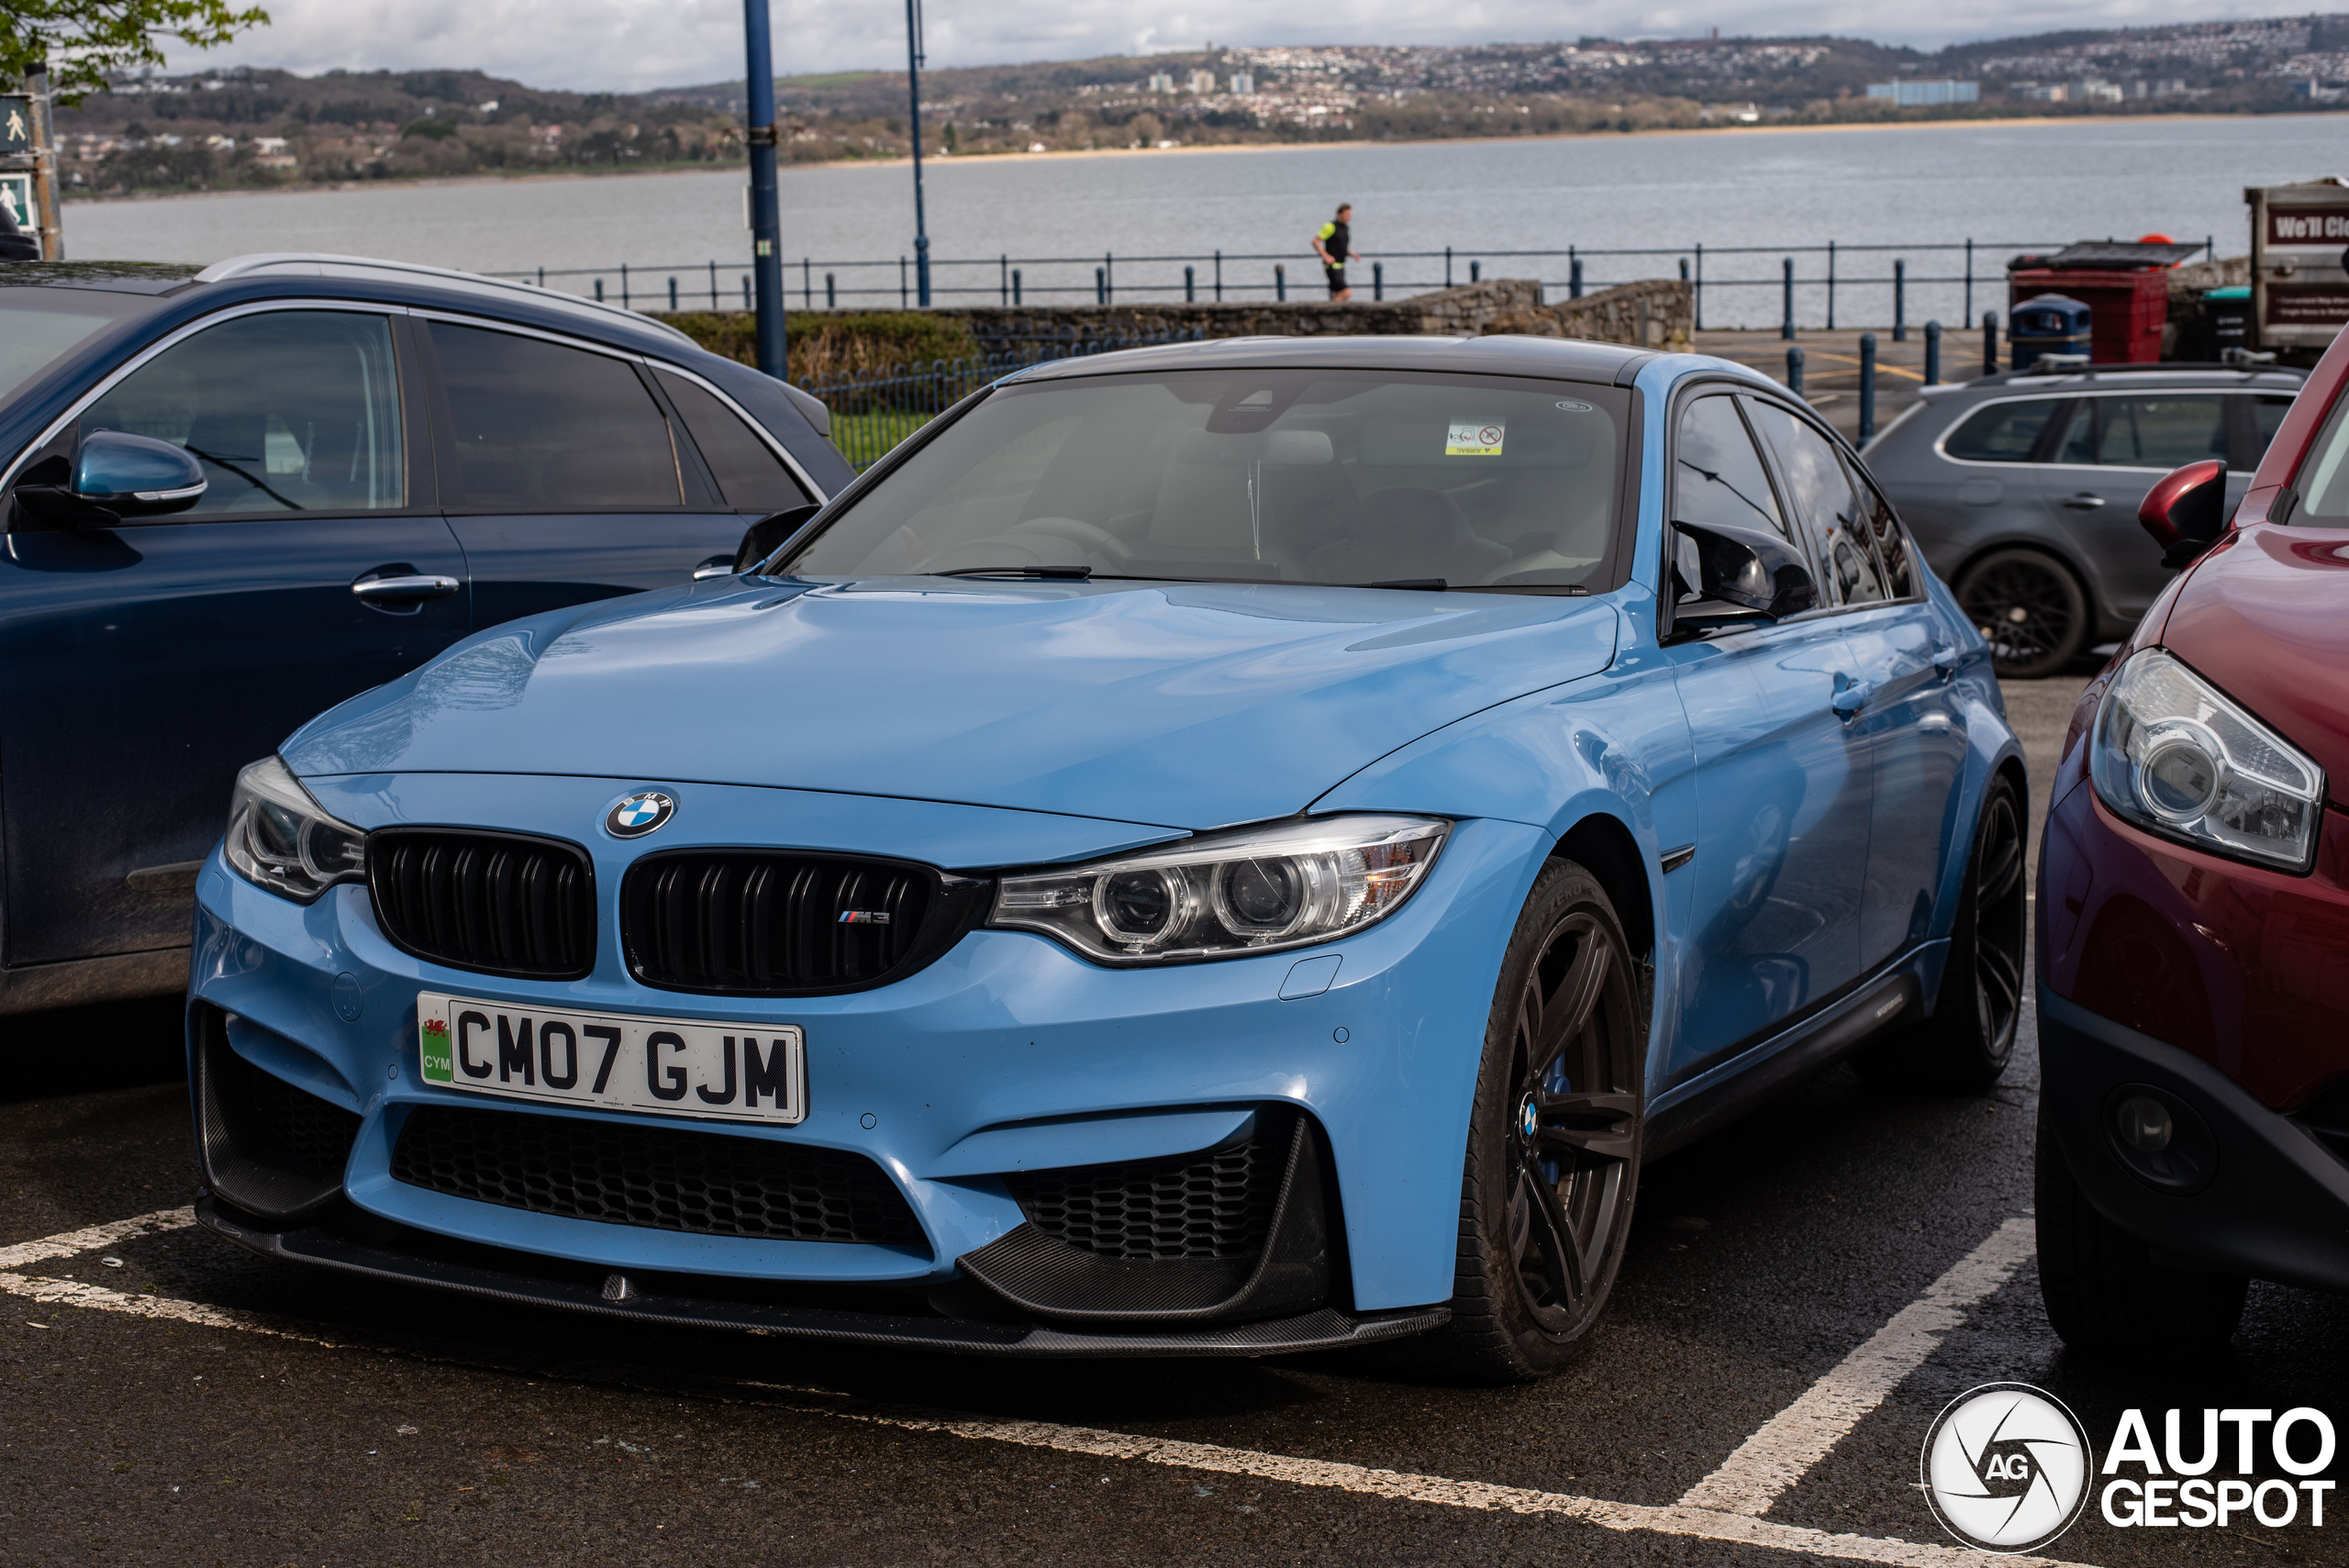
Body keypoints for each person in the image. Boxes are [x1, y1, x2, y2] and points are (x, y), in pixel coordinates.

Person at [1313, 203, 1364, 302]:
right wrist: (1326, 256)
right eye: (1347, 215)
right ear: (1339, 214)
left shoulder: (1345, 228)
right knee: (1346, 292)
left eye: (1350, 215)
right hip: (1332, 266)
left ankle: (1332, 313)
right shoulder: (1330, 226)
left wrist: (1352, 254)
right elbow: (1315, 241)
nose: (1349, 217)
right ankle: (1329, 311)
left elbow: (1342, 246)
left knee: (1338, 294)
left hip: (1341, 265)